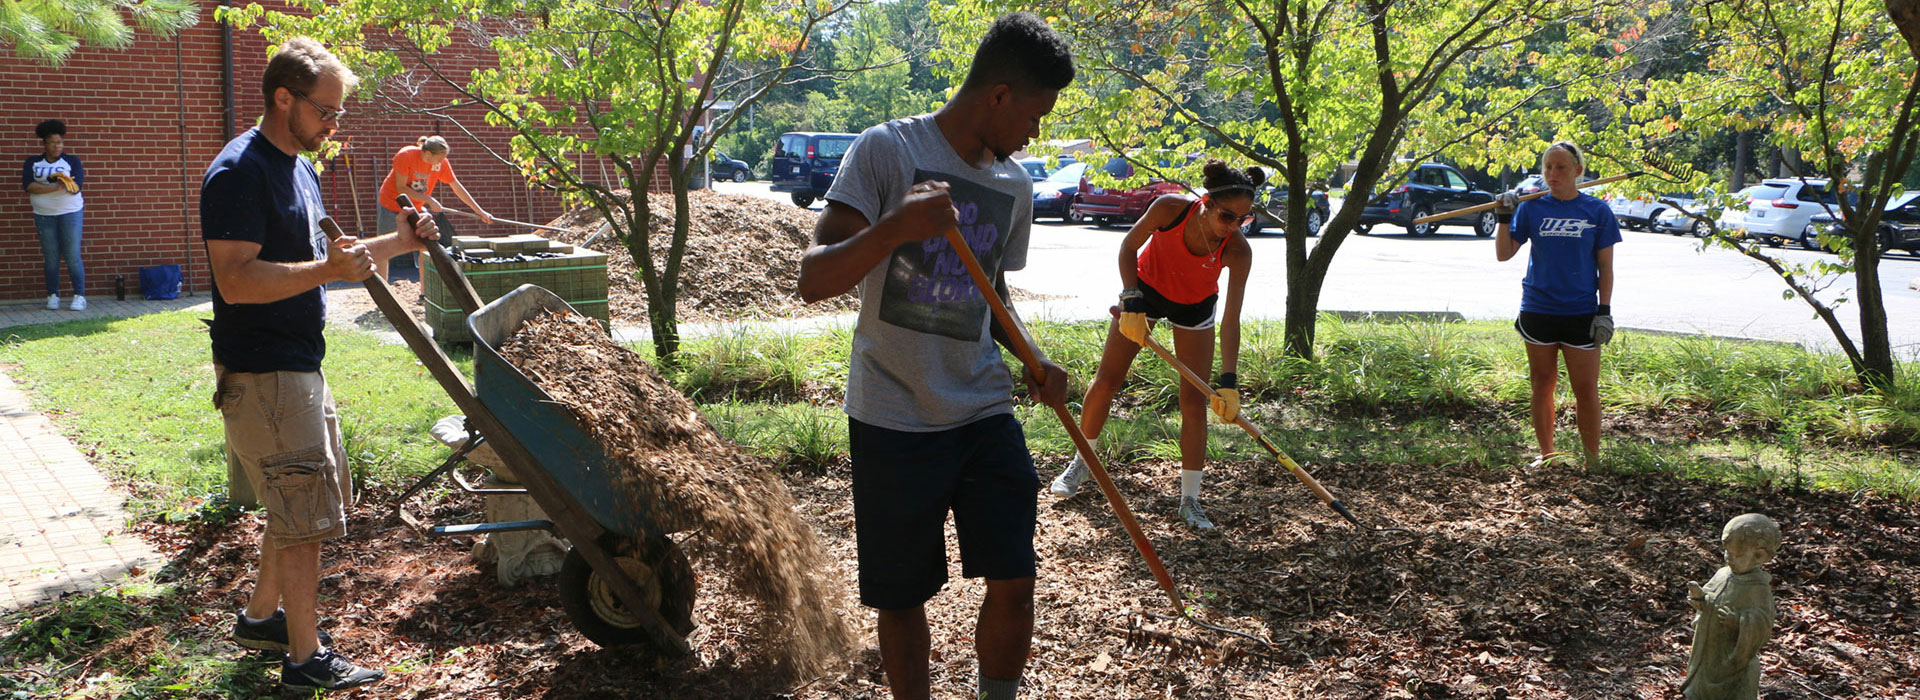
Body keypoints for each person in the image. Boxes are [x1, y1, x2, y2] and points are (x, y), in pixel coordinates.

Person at [794, 13, 1073, 700]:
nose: (1034, 135)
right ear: (1001, 95)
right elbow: (813, 279)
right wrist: (897, 227)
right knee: (902, 592)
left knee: (1015, 574)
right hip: (892, 413)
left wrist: (1035, 359)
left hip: (982, 407)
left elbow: (992, 291)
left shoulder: (1013, 186)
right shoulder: (886, 150)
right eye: (1035, 115)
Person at [200, 37, 438, 691]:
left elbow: (332, 264)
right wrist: (330, 268)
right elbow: (237, 281)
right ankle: (305, 661)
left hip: (300, 366)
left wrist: (401, 240)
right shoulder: (238, 173)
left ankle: (260, 618)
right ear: (285, 99)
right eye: (326, 111)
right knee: (303, 520)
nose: (334, 124)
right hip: (265, 374)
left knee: (300, 506)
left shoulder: (299, 168)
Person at [1048, 160, 1260, 531]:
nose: (1234, 226)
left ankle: (1190, 500)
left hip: (1195, 308)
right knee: (1108, 381)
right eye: (1228, 216)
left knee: (1193, 400)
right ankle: (1082, 462)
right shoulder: (1170, 209)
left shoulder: (1238, 251)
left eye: (1243, 220)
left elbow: (1231, 320)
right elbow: (1128, 247)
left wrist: (1228, 380)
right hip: (1145, 293)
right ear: (1207, 202)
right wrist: (1131, 299)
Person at [1493, 141, 1620, 468]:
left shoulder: (1597, 211)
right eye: (1548, 167)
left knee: (1586, 390)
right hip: (1538, 309)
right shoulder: (1532, 208)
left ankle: (1592, 460)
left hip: (1580, 312)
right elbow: (1504, 253)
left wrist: (1603, 311)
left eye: (1561, 167)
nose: (1553, 173)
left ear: (1578, 171)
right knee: (1542, 384)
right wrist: (1504, 217)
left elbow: (1605, 268)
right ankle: (1547, 454)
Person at [1681, 513, 1780, 700]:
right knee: (1701, 687)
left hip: (1732, 657)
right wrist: (1701, 600)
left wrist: (1739, 622)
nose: (1729, 558)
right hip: (1709, 648)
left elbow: (1763, 623)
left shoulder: (1758, 586)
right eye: (1727, 552)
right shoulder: (1722, 574)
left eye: (1737, 555)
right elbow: (1711, 599)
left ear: (1759, 556)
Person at [21, 119, 87, 310]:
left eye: (60, 142)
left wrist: (49, 186)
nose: (57, 146)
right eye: (53, 142)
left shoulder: (72, 161)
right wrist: (56, 186)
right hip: (43, 214)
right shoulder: (32, 162)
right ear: (44, 144)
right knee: (50, 256)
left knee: (72, 255)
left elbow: (76, 187)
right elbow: (28, 186)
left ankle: (79, 296)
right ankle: (52, 295)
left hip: (70, 212)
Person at [376, 134, 490, 239]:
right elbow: (401, 189)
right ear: (428, 154)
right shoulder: (406, 156)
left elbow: (457, 187)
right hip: (391, 205)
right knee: (390, 246)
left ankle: (421, 262)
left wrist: (480, 212)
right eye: (439, 159)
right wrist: (429, 200)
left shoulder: (442, 163)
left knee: (424, 243)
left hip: (416, 208)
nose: (441, 162)